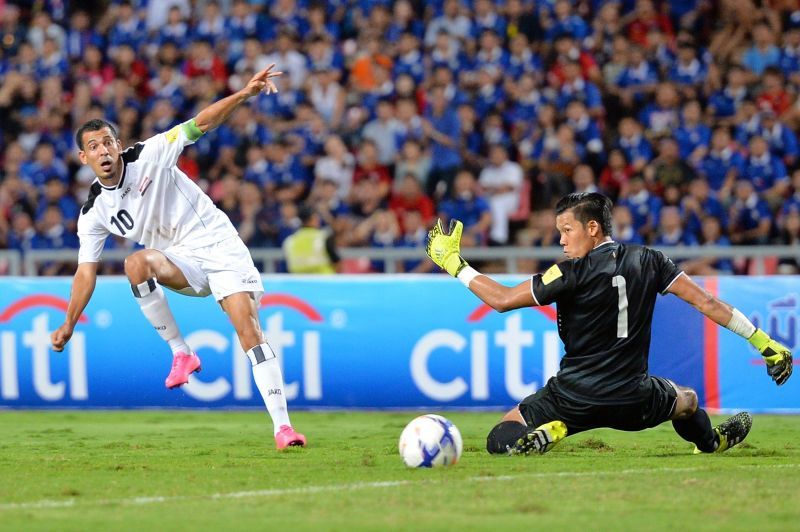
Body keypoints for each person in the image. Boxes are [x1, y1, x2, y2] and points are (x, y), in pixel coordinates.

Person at [49, 65, 307, 450]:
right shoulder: (93, 212)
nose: (103, 150)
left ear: (118, 145)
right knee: (134, 264)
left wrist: (243, 94)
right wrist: (69, 322)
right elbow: (85, 273)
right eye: (94, 146)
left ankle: (283, 429)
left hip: (218, 245)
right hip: (180, 261)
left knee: (248, 329)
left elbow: (200, 123)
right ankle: (182, 354)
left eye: (108, 142)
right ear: (83, 157)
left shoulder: (150, 154)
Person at [425, 192, 792, 456]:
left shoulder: (569, 272)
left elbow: (502, 300)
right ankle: (711, 443)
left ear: (593, 228)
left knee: (503, 434)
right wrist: (762, 341)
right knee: (688, 400)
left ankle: (553, 431)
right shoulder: (651, 259)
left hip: (571, 397)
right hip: (634, 397)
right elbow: (707, 303)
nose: (562, 240)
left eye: (567, 230)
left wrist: (455, 264)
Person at [283, 205, 340, 274]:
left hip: (299, 283)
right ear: (313, 218)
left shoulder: (290, 241)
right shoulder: (324, 237)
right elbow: (337, 263)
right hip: (324, 282)